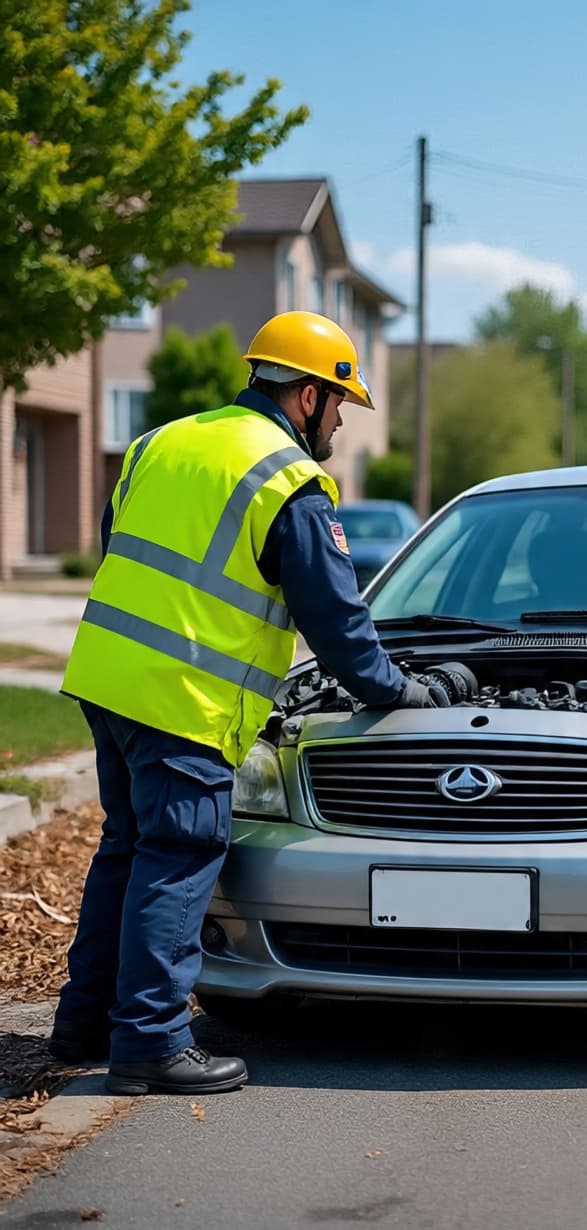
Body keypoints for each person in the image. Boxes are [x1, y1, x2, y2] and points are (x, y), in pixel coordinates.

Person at [52, 311, 440, 1094]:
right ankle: (151, 1047)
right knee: (178, 854)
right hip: (183, 701)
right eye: (338, 405)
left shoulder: (161, 442)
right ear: (305, 395)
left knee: (127, 849)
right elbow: (337, 624)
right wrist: (397, 690)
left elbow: (121, 547)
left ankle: (82, 1027)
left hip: (107, 679)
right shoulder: (288, 479)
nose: (338, 422)